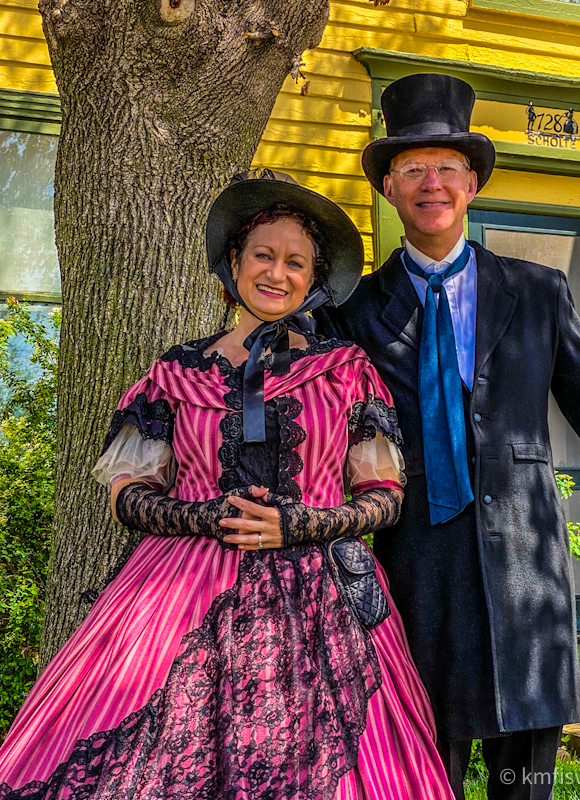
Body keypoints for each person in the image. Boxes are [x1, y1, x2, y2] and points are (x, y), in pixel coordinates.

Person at [318, 73, 580, 800]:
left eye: (447, 166)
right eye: (412, 167)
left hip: (524, 582)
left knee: (520, 784)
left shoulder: (537, 292)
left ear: (472, 182)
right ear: (388, 186)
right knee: (421, 777)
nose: (431, 182)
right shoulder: (353, 311)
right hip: (415, 576)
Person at [0, 169, 455, 800]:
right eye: (263, 256)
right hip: (178, 589)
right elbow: (127, 495)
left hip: (320, 592)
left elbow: (385, 497)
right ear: (233, 265)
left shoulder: (345, 371)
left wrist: (298, 524)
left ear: (315, 281)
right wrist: (204, 516)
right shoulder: (176, 372)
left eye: (296, 262)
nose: (277, 273)